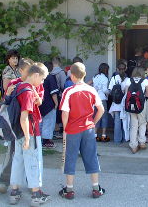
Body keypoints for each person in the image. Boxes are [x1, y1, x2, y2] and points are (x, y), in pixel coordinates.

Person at [58, 62, 105, 200]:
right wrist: (93, 123)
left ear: (72, 76)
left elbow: (65, 113)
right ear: (84, 75)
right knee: (91, 156)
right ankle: (96, 188)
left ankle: (69, 190)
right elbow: (101, 110)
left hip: (72, 129)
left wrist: (65, 129)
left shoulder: (68, 91)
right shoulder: (92, 90)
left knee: (70, 158)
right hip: (88, 128)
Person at [9, 62, 50, 206]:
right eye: (42, 79)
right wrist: (27, 137)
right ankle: (36, 195)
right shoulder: (27, 91)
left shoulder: (20, 87)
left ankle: (14, 192)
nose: (42, 82)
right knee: (33, 162)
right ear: (36, 75)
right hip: (29, 132)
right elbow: (24, 116)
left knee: (18, 160)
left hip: (18, 132)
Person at [0, 58, 39, 194]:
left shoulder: (35, 84)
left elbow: (39, 102)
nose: (32, 73)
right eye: (28, 70)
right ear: (21, 71)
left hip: (28, 127)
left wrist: (36, 96)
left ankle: (29, 184)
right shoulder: (14, 83)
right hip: (15, 127)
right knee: (11, 154)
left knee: (29, 156)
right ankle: (4, 182)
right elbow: (6, 103)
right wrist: (8, 95)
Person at [124, 67, 148, 154]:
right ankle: (142, 142)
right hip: (141, 105)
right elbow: (147, 94)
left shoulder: (128, 80)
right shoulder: (145, 81)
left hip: (131, 105)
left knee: (133, 125)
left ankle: (133, 145)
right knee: (142, 123)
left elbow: (126, 93)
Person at [39, 62, 60, 149]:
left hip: (39, 103)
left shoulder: (38, 77)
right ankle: (46, 141)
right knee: (49, 122)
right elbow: (53, 93)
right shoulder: (50, 77)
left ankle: (39, 139)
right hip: (49, 103)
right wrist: (56, 103)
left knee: (40, 123)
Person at [108, 62, 128, 144]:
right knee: (125, 122)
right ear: (125, 69)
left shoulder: (114, 78)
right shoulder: (128, 79)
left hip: (116, 104)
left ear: (117, 69)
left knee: (117, 122)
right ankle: (125, 138)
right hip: (124, 104)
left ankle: (117, 140)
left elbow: (109, 91)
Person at [93, 63, 110, 142]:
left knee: (96, 117)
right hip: (102, 99)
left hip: (95, 99)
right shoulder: (105, 78)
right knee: (104, 117)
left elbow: (94, 87)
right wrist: (110, 92)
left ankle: (95, 134)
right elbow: (104, 90)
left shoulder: (95, 77)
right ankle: (103, 135)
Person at [51, 57, 67, 139]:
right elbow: (63, 85)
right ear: (59, 63)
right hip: (59, 95)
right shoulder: (61, 72)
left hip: (50, 95)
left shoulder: (49, 72)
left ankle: (53, 130)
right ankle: (57, 131)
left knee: (52, 113)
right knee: (59, 113)